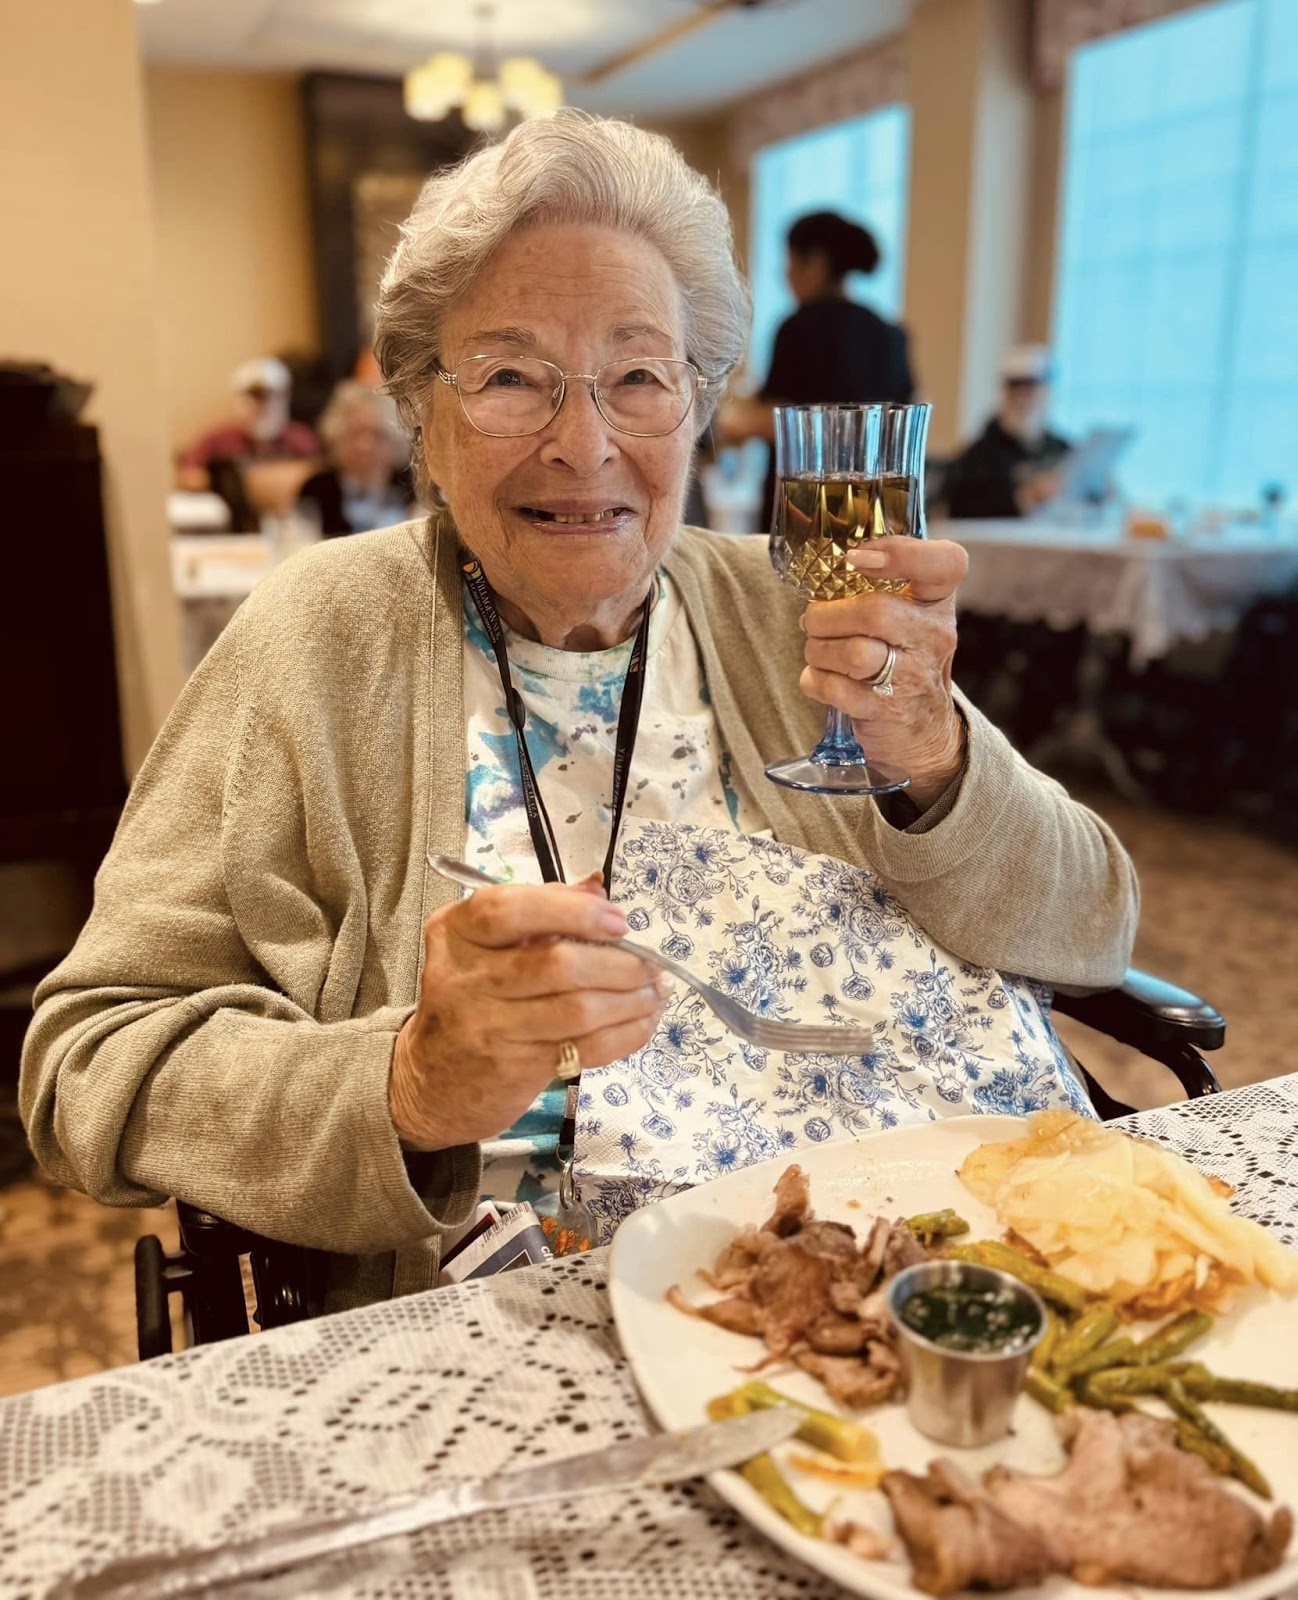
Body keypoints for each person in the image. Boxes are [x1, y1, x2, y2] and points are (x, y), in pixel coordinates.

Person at [21, 113, 1136, 1309]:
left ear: (698, 408)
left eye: (638, 377)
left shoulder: (796, 605)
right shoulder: (313, 637)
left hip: (911, 1272)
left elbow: (1092, 928)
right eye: (510, 378)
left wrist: (935, 756)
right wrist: (404, 1081)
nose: (583, 443)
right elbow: (87, 1064)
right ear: (420, 413)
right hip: (517, 1325)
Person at [717, 210, 915, 522]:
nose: (786, 275)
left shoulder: (799, 327)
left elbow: (782, 417)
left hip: (805, 507)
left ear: (817, 264)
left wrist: (728, 426)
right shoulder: (889, 333)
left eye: (791, 262)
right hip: (874, 506)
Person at [944, 345, 1071, 519]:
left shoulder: (1062, 448)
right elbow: (961, 507)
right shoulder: (979, 455)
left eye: (1031, 389)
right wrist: (1023, 498)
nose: (1022, 399)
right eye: (1015, 388)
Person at [177, 356, 321, 494]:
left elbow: (318, 475)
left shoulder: (301, 438)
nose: (263, 407)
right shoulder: (218, 440)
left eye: (270, 397)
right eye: (255, 397)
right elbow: (189, 475)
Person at [297, 381, 418, 537]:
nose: (364, 446)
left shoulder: (410, 489)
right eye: (354, 433)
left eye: (376, 434)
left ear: (395, 441)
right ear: (336, 436)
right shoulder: (316, 489)